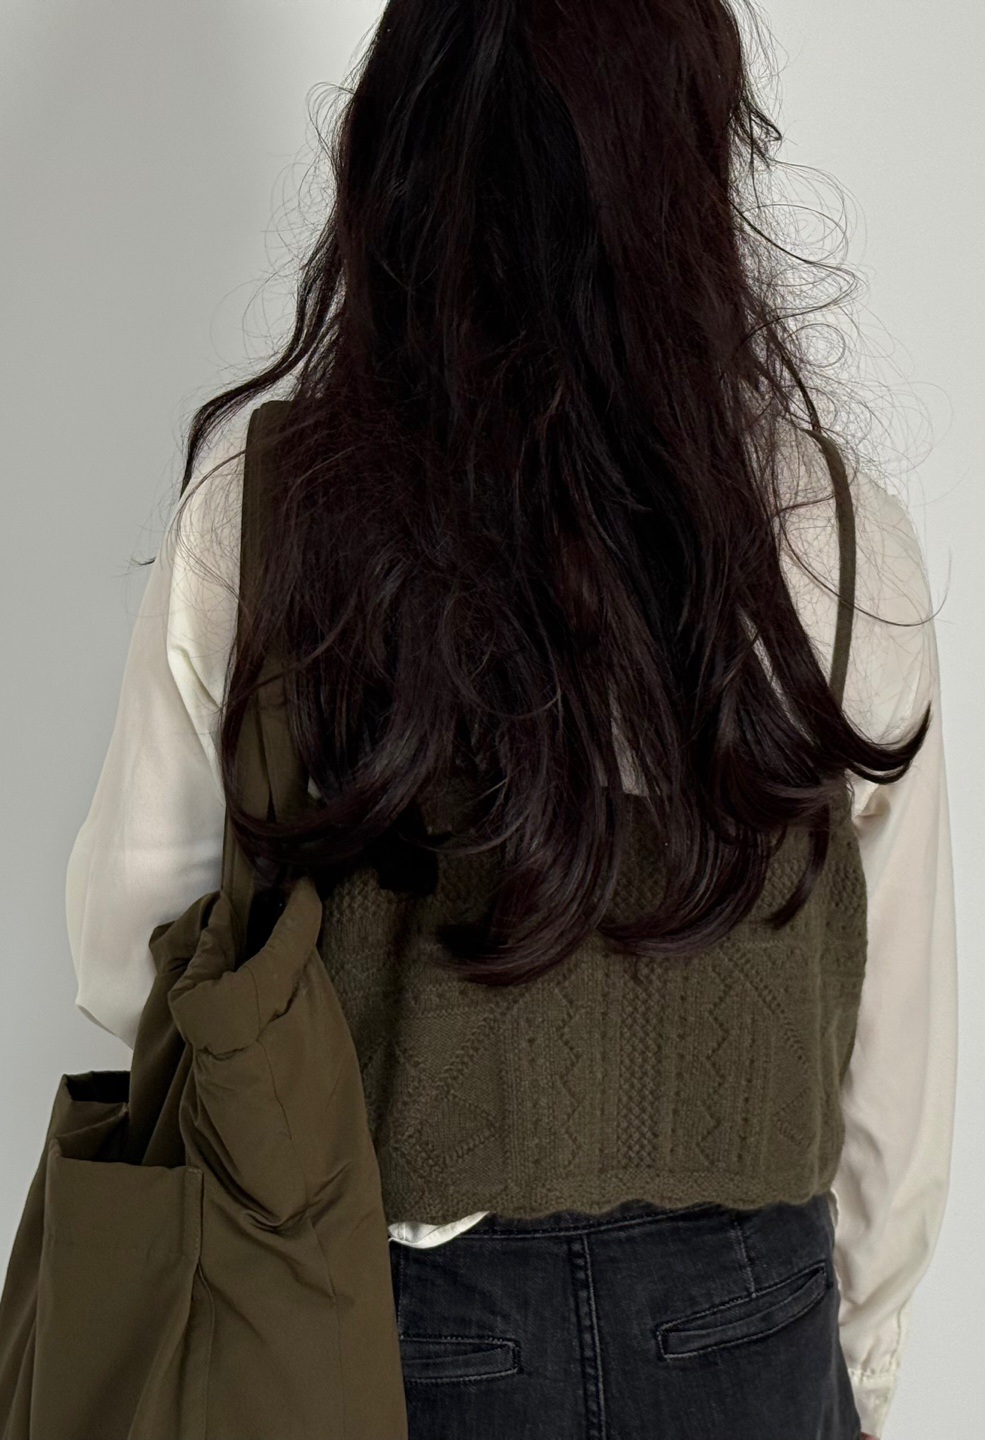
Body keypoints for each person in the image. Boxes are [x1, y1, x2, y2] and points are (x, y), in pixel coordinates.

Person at [65, 2, 956, 1437]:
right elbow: (892, 1090)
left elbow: (131, 957)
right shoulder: (838, 533)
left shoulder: (265, 511)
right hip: (752, 1318)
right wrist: (853, 1371)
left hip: (386, 1306)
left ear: (400, 152)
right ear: (692, 163)